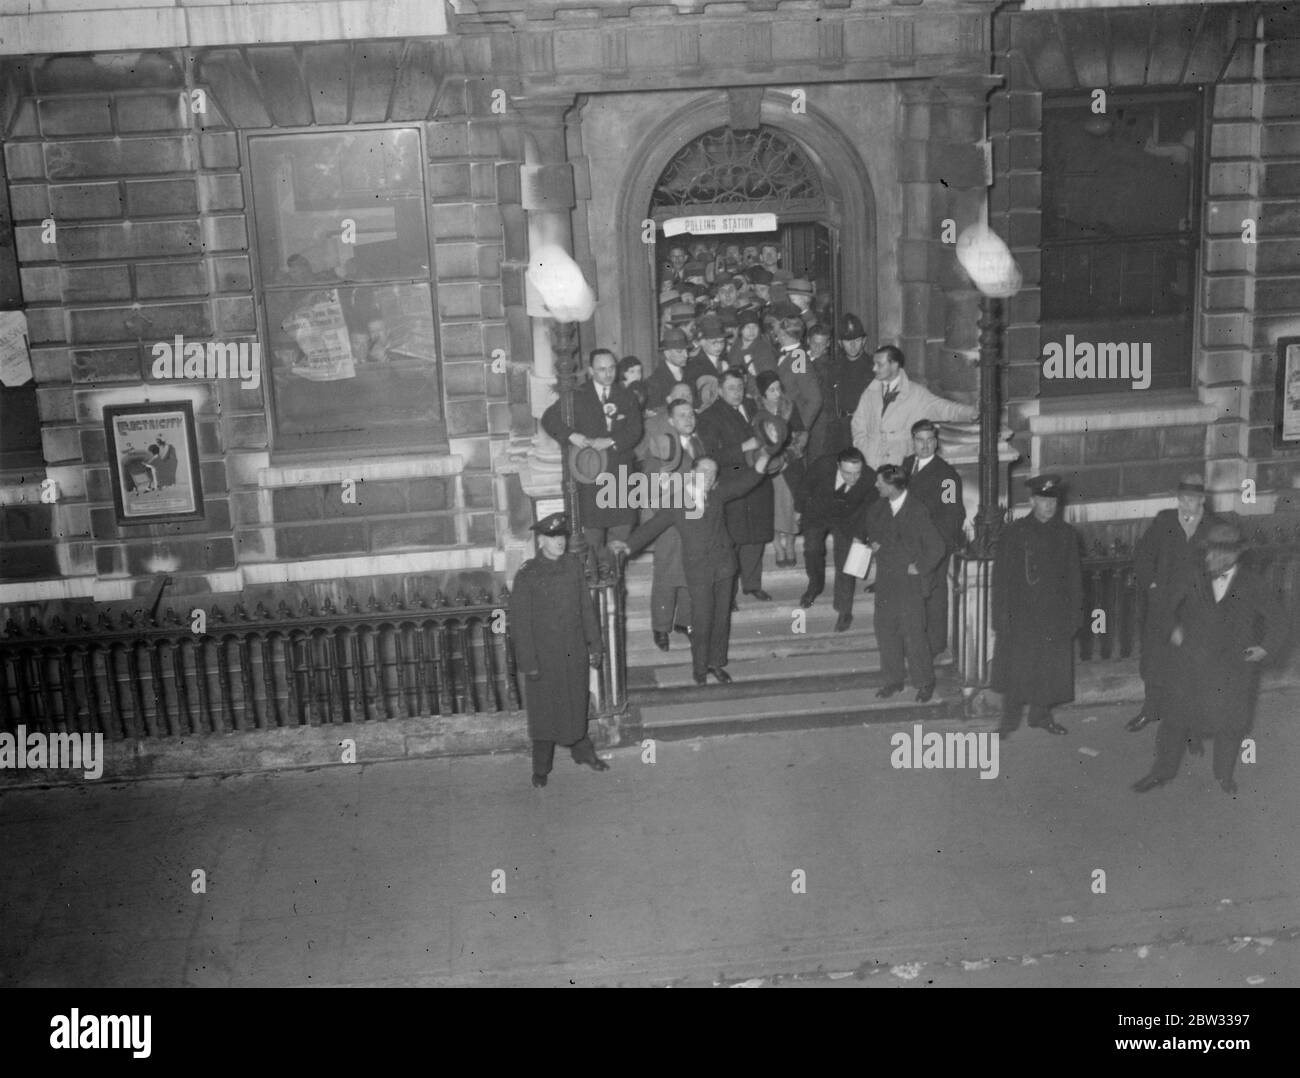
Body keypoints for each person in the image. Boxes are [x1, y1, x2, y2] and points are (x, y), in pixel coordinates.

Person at [1131, 523, 1288, 796]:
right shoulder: (1193, 576)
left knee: (1230, 724)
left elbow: (1279, 620)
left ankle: (1223, 775)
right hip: (1191, 664)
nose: (1212, 560)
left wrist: (1265, 648)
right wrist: (1173, 629)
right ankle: (1161, 772)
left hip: (1233, 669)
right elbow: (1164, 606)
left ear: (1235, 556)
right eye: (1210, 553)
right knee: (1175, 721)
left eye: (1221, 555)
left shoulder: (1253, 583)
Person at [610, 451, 771, 685]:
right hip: (698, 570)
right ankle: (699, 669)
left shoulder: (717, 495)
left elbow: (746, 482)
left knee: (721, 619)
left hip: (724, 567)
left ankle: (716, 663)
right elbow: (653, 526)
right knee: (702, 620)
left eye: (712, 472)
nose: (707, 475)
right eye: (703, 470)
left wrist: (763, 460)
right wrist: (628, 545)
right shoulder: (677, 502)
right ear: (692, 473)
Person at [508, 513, 608, 788]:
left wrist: (594, 645)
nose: (560, 542)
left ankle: (583, 752)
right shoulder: (528, 574)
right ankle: (541, 768)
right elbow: (520, 623)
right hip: (544, 659)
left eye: (562, 536)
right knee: (544, 715)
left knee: (576, 706)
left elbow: (586, 609)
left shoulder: (573, 566)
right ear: (541, 540)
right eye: (553, 538)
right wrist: (528, 662)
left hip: (572, 653)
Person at [1127, 474, 1224, 733]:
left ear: (1202, 500)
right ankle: (1150, 710)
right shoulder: (1165, 520)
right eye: (1182, 498)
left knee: (1193, 663)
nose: (1185, 504)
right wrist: (1151, 584)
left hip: (1197, 608)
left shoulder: (1216, 527)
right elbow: (1143, 555)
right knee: (1155, 660)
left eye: (1191, 499)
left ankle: (1192, 724)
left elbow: (1225, 568)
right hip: (1163, 604)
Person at [991, 475, 1085, 738]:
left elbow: (1074, 579)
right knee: (1016, 669)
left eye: (1052, 500)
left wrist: (1074, 616)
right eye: (1043, 500)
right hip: (1020, 616)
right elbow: (1000, 579)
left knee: (1048, 669)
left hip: (1052, 616)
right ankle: (1008, 720)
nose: (1048, 505)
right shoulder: (1014, 533)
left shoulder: (1066, 535)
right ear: (1032, 500)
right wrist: (1000, 616)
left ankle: (1040, 715)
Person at [541, 348, 644, 571]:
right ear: (590, 371)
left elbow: (635, 430)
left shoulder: (626, 395)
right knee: (592, 540)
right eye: (601, 369)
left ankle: (613, 577)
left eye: (611, 368)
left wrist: (610, 441)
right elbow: (549, 419)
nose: (608, 374)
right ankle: (598, 583)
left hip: (619, 479)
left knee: (622, 533)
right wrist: (571, 435)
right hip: (591, 479)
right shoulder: (577, 395)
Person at [864, 465, 946, 701]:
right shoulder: (877, 508)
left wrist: (919, 567)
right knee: (886, 632)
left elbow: (936, 547)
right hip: (887, 582)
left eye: (880, 482)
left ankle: (924, 683)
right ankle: (893, 681)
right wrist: (874, 544)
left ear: (893, 486)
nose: (876, 485)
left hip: (910, 584)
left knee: (914, 635)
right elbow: (874, 533)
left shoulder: (917, 510)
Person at [635, 393, 703, 651]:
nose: (689, 419)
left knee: (691, 571)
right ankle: (661, 627)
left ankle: (684, 622)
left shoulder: (699, 443)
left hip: (695, 520)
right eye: (682, 416)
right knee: (665, 576)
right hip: (669, 521)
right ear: (671, 421)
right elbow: (649, 483)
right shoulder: (662, 446)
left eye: (691, 414)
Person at [698, 367, 773, 601]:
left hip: (758, 478)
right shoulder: (709, 416)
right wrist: (744, 447)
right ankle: (727, 595)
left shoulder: (754, 408)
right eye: (731, 388)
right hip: (732, 482)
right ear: (719, 390)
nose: (737, 392)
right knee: (733, 540)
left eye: (740, 386)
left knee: (756, 537)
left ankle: (752, 584)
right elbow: (711, 455)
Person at [851, 344, 978, 469]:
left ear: (894, 365)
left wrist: (971, 412)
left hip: (898, 464)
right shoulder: (870, 392)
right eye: (874, 364)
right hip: (870, 463)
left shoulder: (916, 394)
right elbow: (857, 425)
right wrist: (864, 449)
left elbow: (945, 409)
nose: (874, 368)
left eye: (879, 364)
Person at [902, 419, 966, 658]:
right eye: (920, 440)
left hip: (933, 547)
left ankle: (935, 645)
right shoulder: (907, 465)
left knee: (934, 597)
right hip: (909, 546)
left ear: (936, 442)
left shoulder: (946, 475)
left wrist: (936, 548)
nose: (925, 445)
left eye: (930, 440)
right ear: (913, 442)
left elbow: (953, 516)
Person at [797, 447, 878, 631]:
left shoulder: (869, 478)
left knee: (846, 563)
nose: (853, 478)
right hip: (818, 513)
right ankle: (815, 586)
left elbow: (868, 512)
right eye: (847, 473)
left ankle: (844, 610)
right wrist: (798, 510)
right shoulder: (822, 465)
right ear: (837, 466)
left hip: (849, 519)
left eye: (857, 473)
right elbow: (804, 486)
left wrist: (859, 536)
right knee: (812, 550)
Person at [753, 370, 806, 568]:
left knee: (791, 504)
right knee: (772, 506)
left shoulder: (789, 407)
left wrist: (789, 454)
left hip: (790, 463)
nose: (777, 393)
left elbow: (801, 434)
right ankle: (777, 546)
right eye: (771, 390)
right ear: (763, 393)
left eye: (778, 388)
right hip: (767, 465)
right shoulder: (756, 411)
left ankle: (791, 544)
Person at [825, 313, 874, 454]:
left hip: (867, 428)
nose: (852, 346)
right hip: (842, 430)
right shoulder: (834, 368)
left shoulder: (874, 367)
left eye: (857, 340)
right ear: (840, 343)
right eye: (847, 341)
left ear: (864, 340)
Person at [646, 327, 693, 409]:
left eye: (687, 350)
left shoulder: (691, 372)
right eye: (679, 351)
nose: (686, 355)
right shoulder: (655, 380)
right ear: (667, 354)